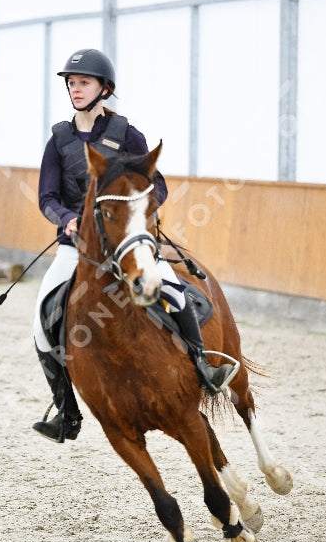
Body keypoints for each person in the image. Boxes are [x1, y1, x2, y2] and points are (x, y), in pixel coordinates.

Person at [32, 48, 234, 442]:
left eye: (83, 82)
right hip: (78, 248)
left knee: (174, 291)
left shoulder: (127, 134)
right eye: (71, 83)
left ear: (104, 89)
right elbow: (47, 196)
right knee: (42, 325)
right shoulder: (58, 139)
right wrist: (67, 218)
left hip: (128, 244)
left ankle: (205, 368)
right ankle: (66, 411)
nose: (75, 89)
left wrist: (138, 212)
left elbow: (157, 185)